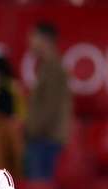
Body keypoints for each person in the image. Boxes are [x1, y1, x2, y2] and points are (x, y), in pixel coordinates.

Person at [24, 22, 72, 180]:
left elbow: (50, 109)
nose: (30, 41)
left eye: (33, 37)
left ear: (45, 40)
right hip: (43, 140)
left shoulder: (54, 69)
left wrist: (31, 129)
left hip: (44, 142)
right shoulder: (48, 67)